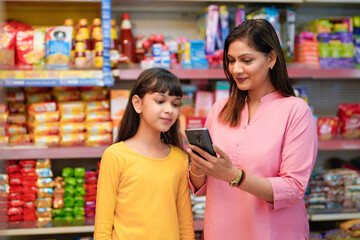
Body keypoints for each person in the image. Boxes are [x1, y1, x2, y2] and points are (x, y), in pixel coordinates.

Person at [187, 19, 318, 240]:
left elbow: (293, 188)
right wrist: (199, 166)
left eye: (246, 60)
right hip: (220, 231)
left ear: (271, 58)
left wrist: (234, 175)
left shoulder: (296, 111)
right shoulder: (219, 110)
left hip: (275, 233)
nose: (236, 69)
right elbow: (201, 186)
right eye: (230, 61)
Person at [94, 68, 195, 240]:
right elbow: (103, 227)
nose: (169, 110)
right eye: (160, 101)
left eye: (175, 103)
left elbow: (185, 224)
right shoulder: (115, 156)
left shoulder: (180, 158)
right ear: (137, 103)